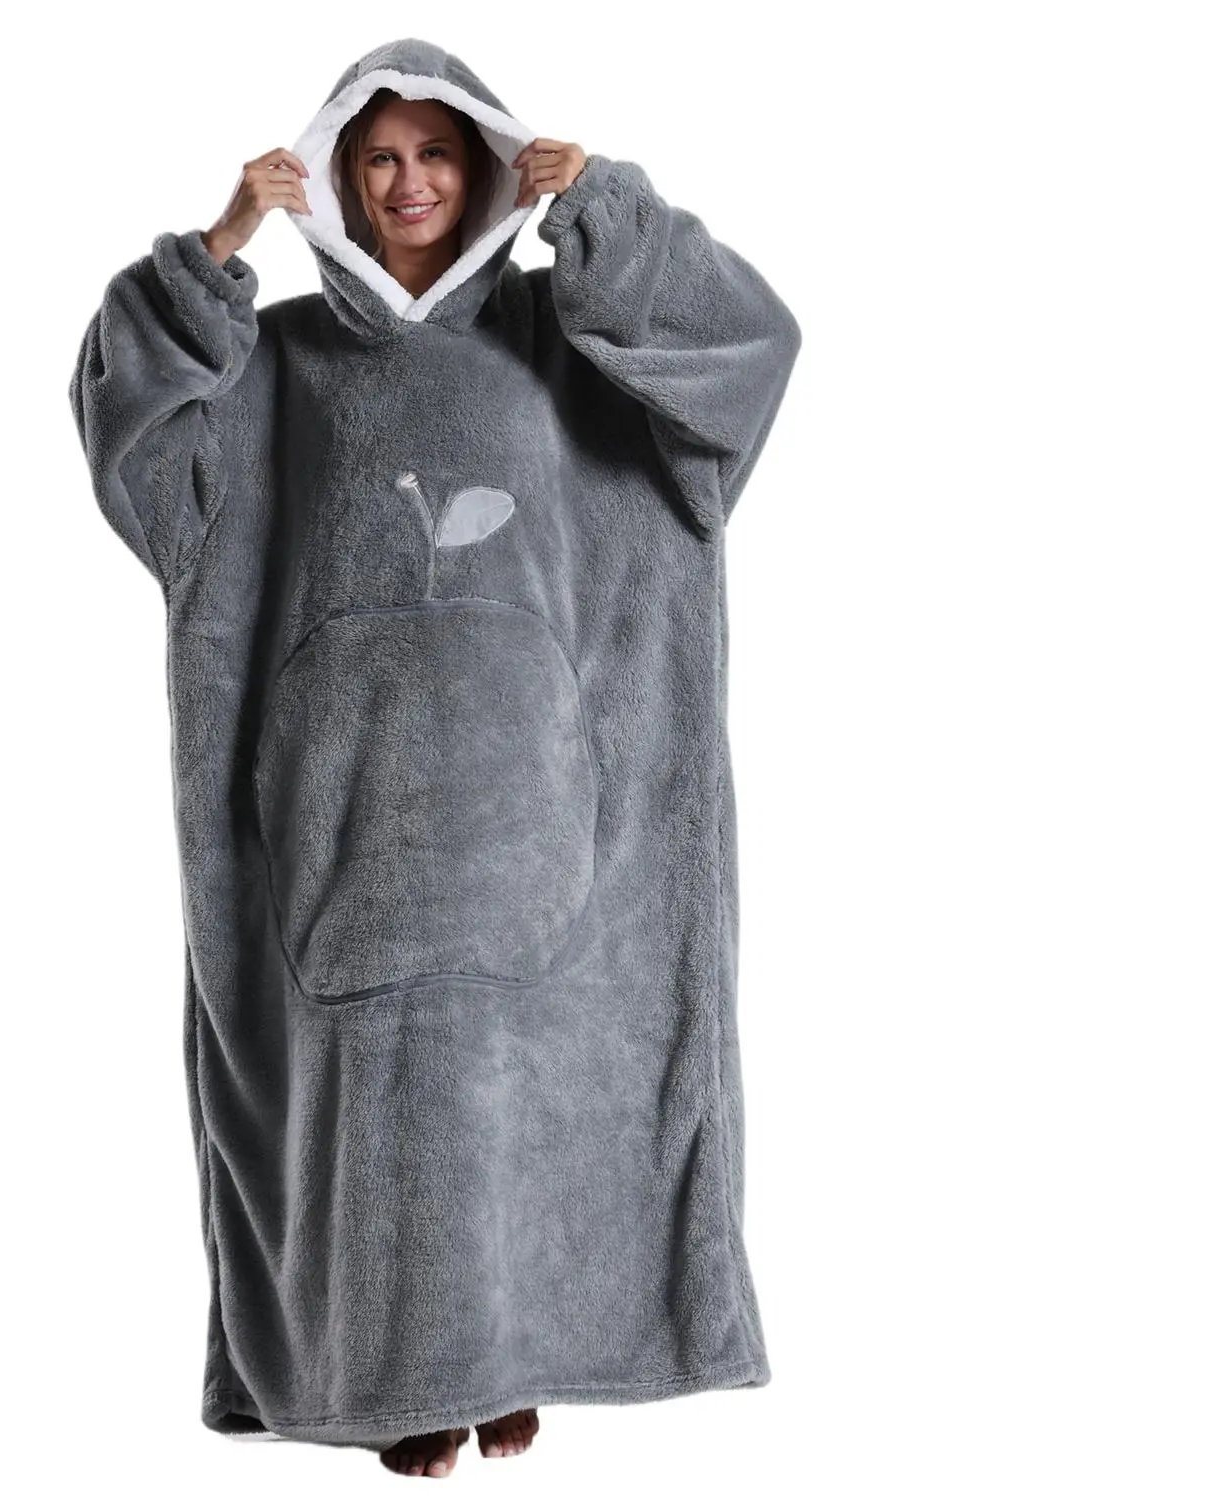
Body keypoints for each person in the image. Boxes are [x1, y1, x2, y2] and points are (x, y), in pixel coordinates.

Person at [69, 36, 800, 1480]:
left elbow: (747, 358)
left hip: (541, 814)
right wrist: (217, 251)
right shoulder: (277, 362)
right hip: (343, 824)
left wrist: (609, 217)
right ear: (342, 176)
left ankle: (514, 1357)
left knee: (527, 1084)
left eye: (439, 155)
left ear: (483, 167)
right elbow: (131, 432)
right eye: (380, 158)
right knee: (384, 1106)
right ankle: (404, 1378)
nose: (410, 183)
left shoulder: (564, 339)